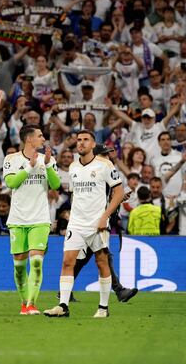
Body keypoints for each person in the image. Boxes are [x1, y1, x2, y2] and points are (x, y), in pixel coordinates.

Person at [44, 130, 124, 318]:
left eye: (85, 140)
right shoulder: (73, 167)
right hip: (76, 224)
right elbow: (77, 195)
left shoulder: (105, 165)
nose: (81, 143)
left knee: (101, 262)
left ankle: (103, 308)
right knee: (67, 261)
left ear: (93, 144)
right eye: (79, 140)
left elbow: (119, 193)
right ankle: (63, 306)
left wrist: (105, 216)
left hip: (98, 223)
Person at [4, 103, 61, 315]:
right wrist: (30, 166)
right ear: (29, 139)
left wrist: (45, 164)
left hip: (40, 218)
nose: (43, 139)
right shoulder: (11, 159)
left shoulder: (50, 160)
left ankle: (31, 304)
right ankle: (23, 304)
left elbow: (55, 185)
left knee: (36, 263)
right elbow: (11, 183)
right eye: (40, 136)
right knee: (19, 267)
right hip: (18, 219)